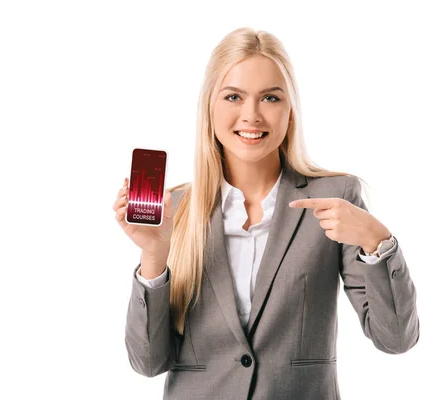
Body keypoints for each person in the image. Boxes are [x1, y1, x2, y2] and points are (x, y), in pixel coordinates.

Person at [114, 27, 419, 400]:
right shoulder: (172, 210)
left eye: (270, 98)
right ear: (210, 108)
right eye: (233, 97)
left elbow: (396, 338)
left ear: (290, 111)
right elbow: (147, 362)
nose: (251, 115)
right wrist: (153, 258)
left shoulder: (336, 197)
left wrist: (378, 242)